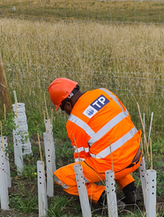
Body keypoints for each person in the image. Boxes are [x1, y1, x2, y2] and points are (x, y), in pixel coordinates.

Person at [48, 78, 142, 208]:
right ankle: (131, 191)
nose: (65, 113)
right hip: (136, 153)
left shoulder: (75, 121)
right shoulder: (105, 93)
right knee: (111, 154)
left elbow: (81, 161)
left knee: (61, 177)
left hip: (118, 164)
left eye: (63, 109)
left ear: (68, 104)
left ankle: (106, 198)